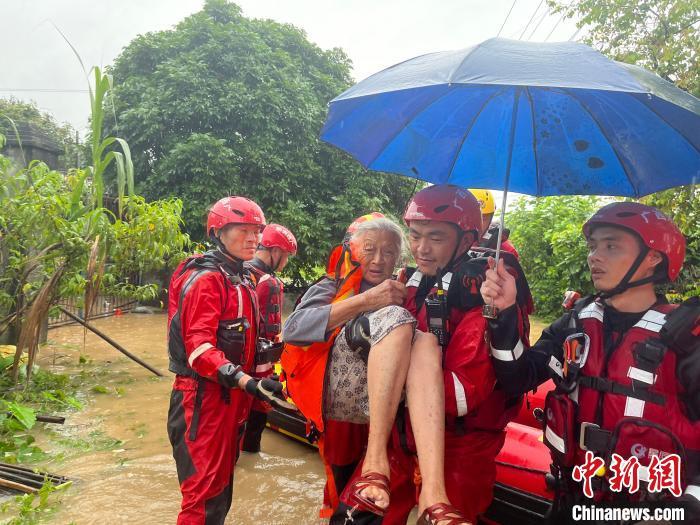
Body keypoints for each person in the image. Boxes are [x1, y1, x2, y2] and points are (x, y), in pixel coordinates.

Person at [480, 202, 700, 521]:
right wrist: (504, 314)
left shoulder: (686, 340)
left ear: (654, 258)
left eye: (611, 246)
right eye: (593, 245)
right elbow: (518, 378)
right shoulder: (576, 325)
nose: (594, 256)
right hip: (574, 500)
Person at [332, 185, 533, 525]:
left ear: (467, 240)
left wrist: (387, 375)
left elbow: (461, 395)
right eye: (414, 235)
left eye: (435, 238)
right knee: (352, 517)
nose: (421, 249)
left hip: (460, 449)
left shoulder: (483, 301)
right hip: (398, 440)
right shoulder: (410, 283)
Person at [282, 213, 469, 523]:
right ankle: (352, 490)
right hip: (336, 404)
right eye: (369, 249)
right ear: (353, 250)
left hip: (379, 408)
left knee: (421, 340)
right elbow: (293, 328)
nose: (379, 259)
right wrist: (366, 301)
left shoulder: (404, 288)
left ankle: (418, 490)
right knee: (339, 478)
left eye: (389, 252)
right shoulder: (333, 285)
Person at [166, 196, 292, 525]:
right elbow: (199, 347)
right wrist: (247, 381)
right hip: (201, 401)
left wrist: (262, 378)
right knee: (202, 497)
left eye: (256, 231)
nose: (253, 238)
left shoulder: (241, 278)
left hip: (231, 399)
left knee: (221, 493)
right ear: (218, 232)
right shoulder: (207, 280)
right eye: (243, 230)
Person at [241, 223, 297, 453]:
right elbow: (270, 335)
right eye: (285, 257)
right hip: (257, 372)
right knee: (253, 430)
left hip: (233, 369)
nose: (284, 263)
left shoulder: (238, 272)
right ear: (275, 252)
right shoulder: (270, 282)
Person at [469, 188, 519, 259]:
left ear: (491, 218)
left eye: (483, 219)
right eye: (471, 218)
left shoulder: (506, 251)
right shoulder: (452, 241)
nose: (477, 225)